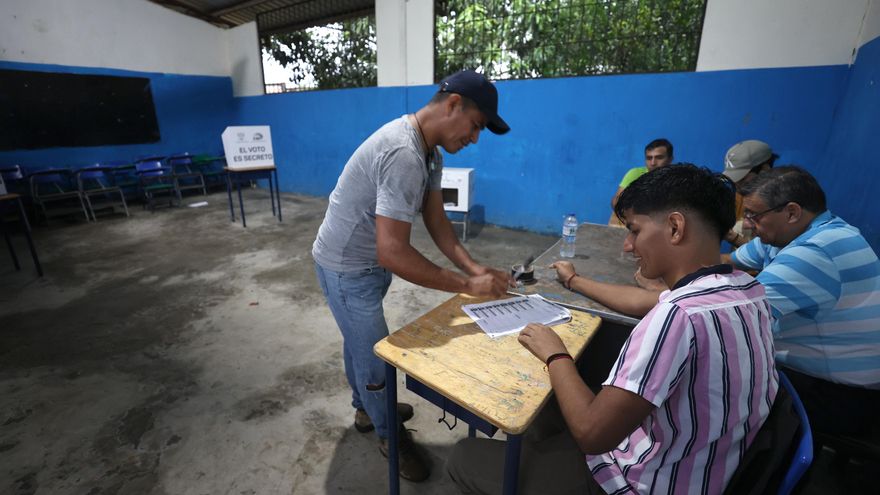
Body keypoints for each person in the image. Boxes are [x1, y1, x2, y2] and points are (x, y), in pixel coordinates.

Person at [448, 164, 778, 494]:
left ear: (676, 228)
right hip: (706, 468)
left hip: (637, 483)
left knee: (463, 456)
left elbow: (592, 435)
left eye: (634, 230)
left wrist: (556, 354)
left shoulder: (677, 318)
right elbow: (640, 300)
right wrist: (574, 281)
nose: (628, 246)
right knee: (549, 411)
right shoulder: (746, 291)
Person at [312, 70, 513, 482]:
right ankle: (389, 433)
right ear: (453, 104)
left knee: (359, 344)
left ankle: (365, 413)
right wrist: (465, 286)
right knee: (375, 358)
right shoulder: (403, 152)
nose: (474, 139)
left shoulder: (429, 151)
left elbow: (436, 220)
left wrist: (475, 269)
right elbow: (393, 252)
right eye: (475, 126)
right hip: (346, 268)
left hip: (366, 266)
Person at [727, 166, 880, 438]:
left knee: (725, 399)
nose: (748, 223)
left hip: (839, 393)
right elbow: (727, 262)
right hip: (815, 377)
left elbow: (730, 311)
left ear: (792, 212)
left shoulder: (817, 251)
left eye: (754, 215)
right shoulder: (788, 234)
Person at [721, 140, 777, 248]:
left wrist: (732, 236)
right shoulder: (737, 194)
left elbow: (766, 256)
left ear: (764, 170)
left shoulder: (780, 204)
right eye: (733, 180)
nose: (737, 186)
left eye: (742, 179)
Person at [607, 138, 673, 226]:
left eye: (659, 157)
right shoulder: (635, 174)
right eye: (649, 158)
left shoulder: (677, 179)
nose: (653, 163)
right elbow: (616, 201)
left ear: (670, 159)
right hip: (630, 223)